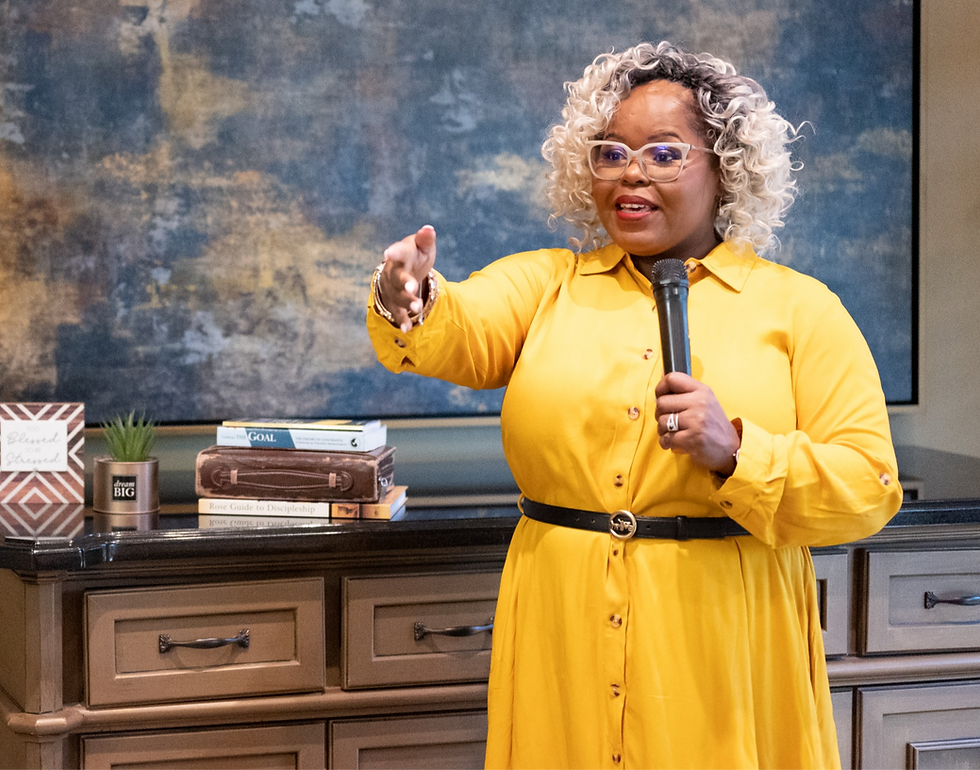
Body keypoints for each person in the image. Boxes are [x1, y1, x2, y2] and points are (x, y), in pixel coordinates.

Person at [366, 41, 902, 770]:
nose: (631, 174)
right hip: (562, 624)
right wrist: (410, 297)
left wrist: (738, 453)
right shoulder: (547, 287)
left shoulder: (802, 310)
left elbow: (869, 484)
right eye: (611, 153)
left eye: (664, 154)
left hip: (724, 640)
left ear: (726, 166)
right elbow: (461, 326)